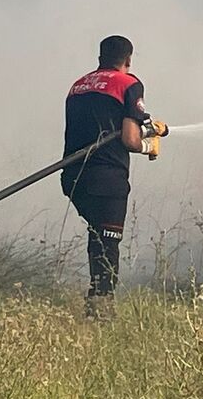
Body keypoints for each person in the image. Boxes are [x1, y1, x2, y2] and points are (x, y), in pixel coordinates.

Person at [62, 35, 168, 303]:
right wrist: (149, 147)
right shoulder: (128, 84)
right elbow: (130, 139)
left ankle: (95, 301)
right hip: (107, 178)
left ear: (100, 58)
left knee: (97, 237)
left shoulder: (79, 85)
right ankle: (100, 308)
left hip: (73, 177)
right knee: (107, 244)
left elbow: (103, 124)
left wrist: (147, 128)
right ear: (129, 59)